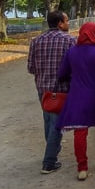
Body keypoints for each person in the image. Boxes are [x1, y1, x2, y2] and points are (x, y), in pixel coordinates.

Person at [56, 22, 95, 181]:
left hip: (77, 96)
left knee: (80, 131)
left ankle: (82, 168)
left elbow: (62, 73)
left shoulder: (72, 52)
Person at [27, 10, 75, 174]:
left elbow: (31, 68)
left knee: (48, 121)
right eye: (67, 20)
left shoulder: (36, 41)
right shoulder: (69, 41)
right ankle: (49, 162)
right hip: (61, 89)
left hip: (42, 89)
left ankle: (52, 149)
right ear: (60, 23)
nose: (69, 23)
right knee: (56, 125)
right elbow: (73, 66)